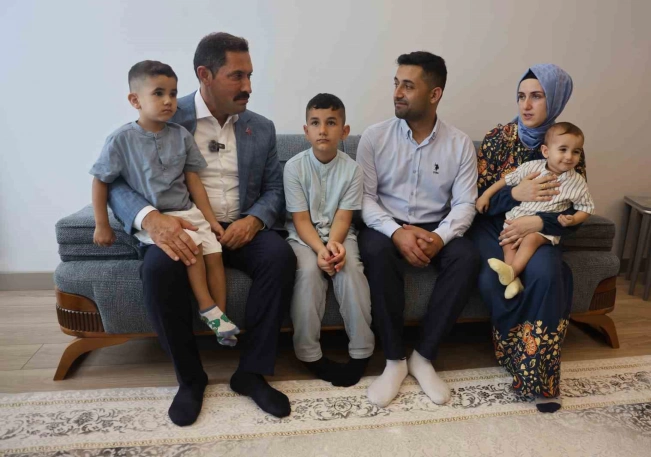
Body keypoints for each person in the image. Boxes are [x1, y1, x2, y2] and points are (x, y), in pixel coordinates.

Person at [107, 33, 295, 425]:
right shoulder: (165, 114)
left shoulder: (261, 128)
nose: (247, 86)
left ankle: (252, 373)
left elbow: (275, 189)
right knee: (158, 269)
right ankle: (191, 379)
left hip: (240, 227)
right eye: (237, 76)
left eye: (249, 75)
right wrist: (150, 218)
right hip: (182, 225)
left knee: (279, 257)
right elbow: (115, 182)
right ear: (205, 75)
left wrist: (254, 219)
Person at [357, 51, 479, 408]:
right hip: (385, 224)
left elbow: (465, 204)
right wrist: (396, 232)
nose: (397, 93)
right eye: (396, 84)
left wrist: (440, 237)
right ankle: (394, 359)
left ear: (434, 94)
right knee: (375, 251)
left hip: (435, 226)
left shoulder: (459, 144)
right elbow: (364, 199)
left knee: (468, 257)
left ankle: (423, 356)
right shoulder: (375, 137)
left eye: (408, 86)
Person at [91, 61, 240, 348]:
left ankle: (221, 318)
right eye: (158, 93)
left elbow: (193, 180)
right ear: (135, 100)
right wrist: (102, 224)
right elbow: (101, 181)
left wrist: (210, 219)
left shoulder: (181, 135)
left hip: (188, 211)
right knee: (192, 247)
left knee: (214, 252)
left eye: (173, 93)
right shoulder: (121, 139)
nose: (169, 100)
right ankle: (207, 307)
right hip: (158, 219)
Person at [467, 64, 586, 413]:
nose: (526, 105)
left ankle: (540, 380)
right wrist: (515, 195)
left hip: (541, 230)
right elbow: (478, 202)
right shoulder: (498, 138)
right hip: (495, 227)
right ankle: (516, 357)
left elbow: (576, 211)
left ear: (555, 100)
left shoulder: (567, 144)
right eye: (521, 96)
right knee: (494, 279)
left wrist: (537, 221)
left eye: (537, 96)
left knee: (547, 275)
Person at [284, 93, 374, 387]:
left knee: (351, 271)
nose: (322, 130)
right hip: (304, 237)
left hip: (339, 233)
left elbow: (344, 218)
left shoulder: (353, 170)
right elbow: (300, 220)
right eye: (315, 123)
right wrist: (320, 251)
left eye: (331, 123)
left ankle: (361, 351)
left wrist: (333, 247)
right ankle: (309, 354)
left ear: (344, 131)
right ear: (306, 130)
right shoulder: (294, 167)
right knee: (308, 272)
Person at [476, 122, 594, 299]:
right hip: (516, 220)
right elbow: (507, 180)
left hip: (543, 230)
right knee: (506, 242)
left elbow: (586, 208)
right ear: (546, 151)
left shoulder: (577, 182)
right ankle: (513, 280)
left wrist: (574, 219)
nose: (569, 157)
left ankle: (513, 271)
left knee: (530, 240)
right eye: (563, 150)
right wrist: (486, 195)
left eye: (576, 152)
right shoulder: (532, 167)